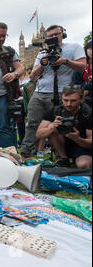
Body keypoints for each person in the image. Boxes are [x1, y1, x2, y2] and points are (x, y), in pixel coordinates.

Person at [20, 25, 86, 157]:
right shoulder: (42, 53)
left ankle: (61, 156)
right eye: (49, 36)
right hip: (40, 92)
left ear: (63, 34)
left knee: (59, 124)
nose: (53, 37)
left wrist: (65, 61)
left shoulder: (74, 47)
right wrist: (42, 65)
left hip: (63, 93)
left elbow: (83, 66)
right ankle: (25, 153)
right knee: (32, 123)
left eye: (56, 34)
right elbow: (33, 76)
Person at [36, 85, 91, 168]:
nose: (68, 104)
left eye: (73, 101)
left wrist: (78, 139)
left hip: (83, 146)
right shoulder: (56, 110)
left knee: (84, 165)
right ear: (61, 98)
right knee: (51, 129)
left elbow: (91, 143)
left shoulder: (88, 113)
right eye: (65, 100)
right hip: (63, 144)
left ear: (82, 99)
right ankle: (64, 159)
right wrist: (52, 127)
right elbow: (39, 134)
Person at [72, 40, 92, 107]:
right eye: (90, 49)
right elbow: (74, 82)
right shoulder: (81, 64)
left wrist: (88, 90)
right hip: (83, 99)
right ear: (86, 50)